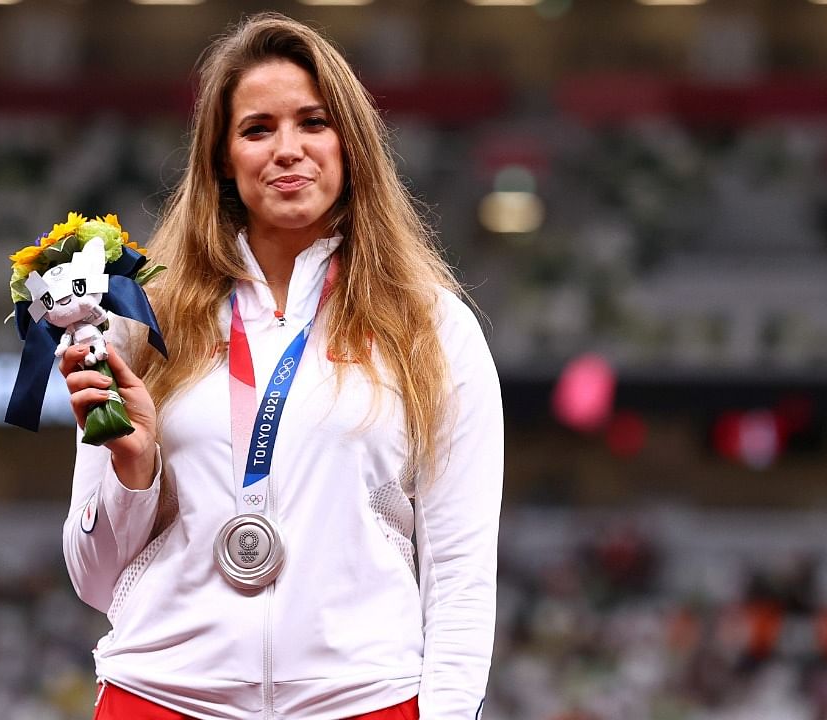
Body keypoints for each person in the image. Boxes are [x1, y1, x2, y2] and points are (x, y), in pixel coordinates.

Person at [59, 12, 503, 720]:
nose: (287, 150)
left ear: (351, 143)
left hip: (361, 700)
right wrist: (133, 472)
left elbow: (459, 575)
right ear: (222, 159)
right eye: (257, 129)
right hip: (162, 697)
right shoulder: (141, 320)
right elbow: (94, 579)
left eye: (313, 123)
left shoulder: (432, 327)